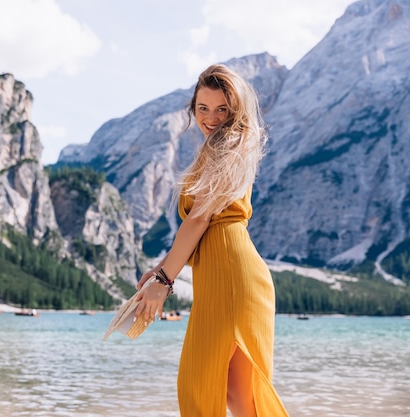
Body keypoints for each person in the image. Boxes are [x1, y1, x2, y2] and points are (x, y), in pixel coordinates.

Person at [135, 64, 289, 416]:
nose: (211, 118)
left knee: (204, 386)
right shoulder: (219, 149)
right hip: (229, 278)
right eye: (203, 108)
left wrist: (164, 280)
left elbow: (200, 219)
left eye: (222, 109)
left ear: (234, 111)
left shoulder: (228, 144)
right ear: (193, 108)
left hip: (233, 279)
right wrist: (160, 268)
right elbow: (199, 227)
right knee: (239, 396)